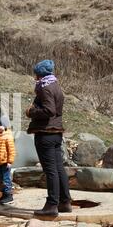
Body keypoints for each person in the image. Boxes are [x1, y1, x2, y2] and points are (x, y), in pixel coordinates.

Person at [26, 60, 71, 217]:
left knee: (50, 170)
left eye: (36, 74)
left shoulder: (45, 88)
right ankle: (65, 202)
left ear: (40, 74)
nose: (35, 77)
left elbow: (49, 110)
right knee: (59, 168)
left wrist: (31, 112)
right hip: (56, 133)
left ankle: (52, 205)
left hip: (46, 133)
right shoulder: (57, 86)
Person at [0, 116, 16, 204]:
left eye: (0, 125)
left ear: (5, 126)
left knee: (6, 179)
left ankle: (9, 195)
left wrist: (10, 161)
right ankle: (4, 194)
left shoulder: (8, 136)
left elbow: (11, 150)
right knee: (1, 179)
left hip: (5, 162)